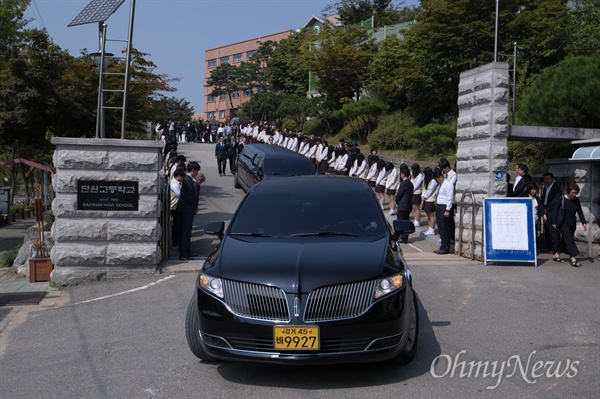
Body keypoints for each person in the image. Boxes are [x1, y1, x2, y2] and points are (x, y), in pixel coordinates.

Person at [550, 183, 587, 267]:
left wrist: (583, 222)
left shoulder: (576, 200)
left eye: (576, 193)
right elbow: (555, 210)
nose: (574, 194)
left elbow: (580, 211)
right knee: (569, 240)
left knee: (565, 240)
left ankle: (557, 254)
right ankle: (573, 258)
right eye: (572, 192)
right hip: (563, 223)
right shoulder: (561, 198)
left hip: (572, 223)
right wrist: (554, 222)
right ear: (568, 191)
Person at [173, 161, 201, 260]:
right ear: (193, 170)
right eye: (196, 171)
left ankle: (187, 251)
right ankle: (184, 253)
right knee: (186, 232)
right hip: (187, 210)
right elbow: (191, 196)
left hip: (183, 209)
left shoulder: (187, 179)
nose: (197, 174)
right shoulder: (189, 180)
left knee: (184, 231)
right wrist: (195, 208)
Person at [433, 167, 455, 254]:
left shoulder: (448, 185)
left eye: (436, 179)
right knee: (440, 228)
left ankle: (446, 247)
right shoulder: (441, 185)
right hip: (438, 206)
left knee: (444, 227)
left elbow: (449, 198)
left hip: (444, 207)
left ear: (440, 177)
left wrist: (447, 209)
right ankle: (442, 246)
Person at [395, 166, 414, 244]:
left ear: (403, 174)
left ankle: (401, 237)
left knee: (401, 221)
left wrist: (397, 200)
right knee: (406, 220)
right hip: (408, 204)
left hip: (402, 204)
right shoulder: (410, 183)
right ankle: (405, 237)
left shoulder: (404, 183)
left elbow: (399, 194)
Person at [420, 166, 438, 235]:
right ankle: (429, 228)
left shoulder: (433, 181)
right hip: (426, 200)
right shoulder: (426, 180)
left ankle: (432, 229)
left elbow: (430, 190)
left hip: (430, 200)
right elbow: (425, 189)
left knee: (431, 215)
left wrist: (425, 196)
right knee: (428, 215)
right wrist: (422, 195)